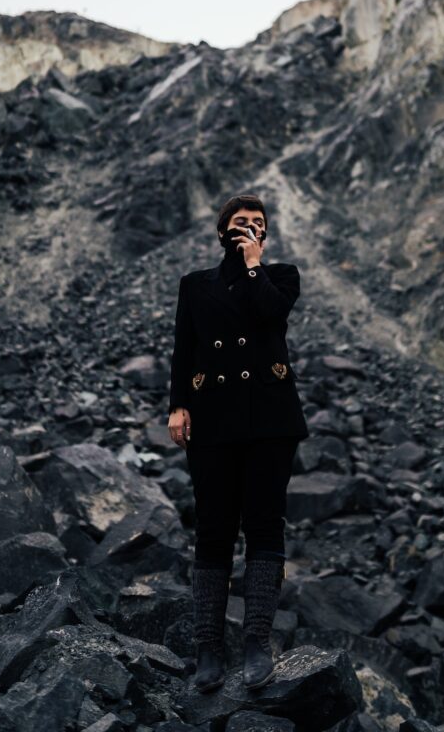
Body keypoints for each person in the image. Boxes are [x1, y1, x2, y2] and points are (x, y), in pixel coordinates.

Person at [167, 193, 309, 693]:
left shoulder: (281, 276)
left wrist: (254, 266)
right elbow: (185, 346)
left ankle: (255, 643)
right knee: (213, 529)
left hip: (269, 418)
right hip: (213, 420)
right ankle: (208, 648)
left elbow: (269, 315)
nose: (248, 227)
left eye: (258, 223)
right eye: (240, 220)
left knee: (265, 525)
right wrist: (178, 404)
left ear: (265, 236)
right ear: (222, 228)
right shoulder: (195, 286)